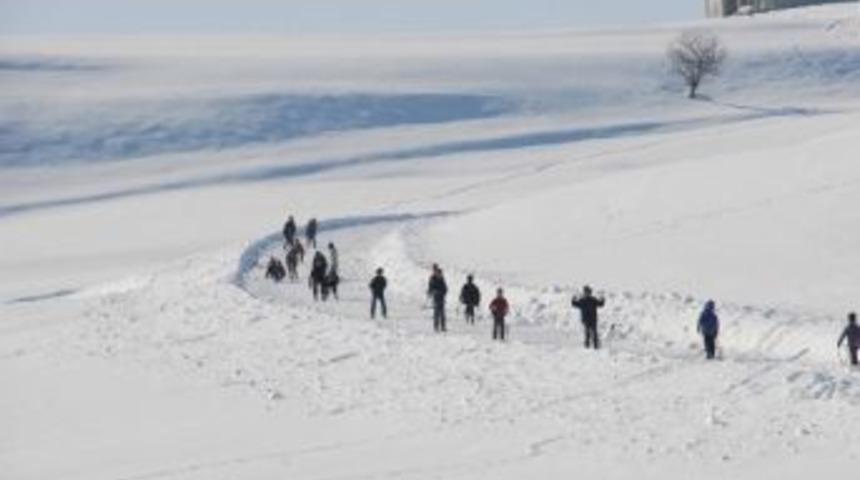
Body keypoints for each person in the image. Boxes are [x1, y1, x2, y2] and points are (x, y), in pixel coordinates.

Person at [571, 285, 606, 349]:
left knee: (594, 332)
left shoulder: (593, 300)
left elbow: (600, 304)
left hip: (593, 319)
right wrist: (573, 299)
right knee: (587, 333)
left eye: (588, 292)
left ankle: (596, 346)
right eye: (585, 292)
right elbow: (574, 304)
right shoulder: (582, 300)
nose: (587, 293)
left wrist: (603, 299)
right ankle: (587, 346)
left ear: (590, 293)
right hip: (586, 320)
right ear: (584, 293)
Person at [427, 265, 448, 332]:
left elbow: (445, 288)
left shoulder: (442, 279)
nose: (439, 274)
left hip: (441, 298)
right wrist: (432, 292)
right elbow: (430, 288)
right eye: (438, 273)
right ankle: (436, 327)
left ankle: (443, 326)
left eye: (440, 273)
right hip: (436, 298)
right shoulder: (433, 279)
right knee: (436, 313)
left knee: (442, 313)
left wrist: (443, 292)